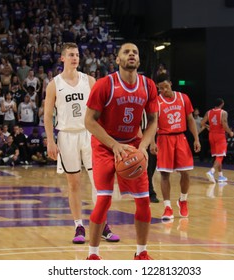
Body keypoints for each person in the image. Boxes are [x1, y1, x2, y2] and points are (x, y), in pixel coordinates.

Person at [84, 42, 158, 260]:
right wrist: (114, 145)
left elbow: (153, 121)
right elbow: (89, 121)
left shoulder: (148, 85)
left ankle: (141, 253)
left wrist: (143, 147)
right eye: (126, 52)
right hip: (105, 146)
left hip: (132, 146)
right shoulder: (104, 85)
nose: (131, 54)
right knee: (104, 199)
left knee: (143, 200)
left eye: (135, 51)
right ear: (118, 60)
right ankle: (93, 255)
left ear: (139, 59)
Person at [44, 42, 119, 245]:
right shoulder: (54, 84)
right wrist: (50, 140)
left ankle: (102, 224)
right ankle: (78, 225)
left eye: (77, 54)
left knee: (99, 182)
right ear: (62, 58)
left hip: (89, 134)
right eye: (70, 55)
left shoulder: (90, 80)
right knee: (74, 184)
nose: (75, 58)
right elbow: (48, 115)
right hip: (67, 135)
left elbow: (102, 110)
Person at [152, 73, 200, 221]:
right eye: (160, 89)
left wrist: (196, 139)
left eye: (165, 87)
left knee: (185, 173)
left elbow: (190, 119)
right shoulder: (157, 102)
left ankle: (183, 200)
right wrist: (152, 142)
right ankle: (167, 207)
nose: (164, 90)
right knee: (165, 174)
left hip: (181, 137)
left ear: (171, 83)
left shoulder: (183, 98)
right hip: (164, 139)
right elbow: (153, 123)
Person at [201, 98, 234, 183]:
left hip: (211, 135)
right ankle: (211, 171)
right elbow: (224, 123)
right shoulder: (223, 112)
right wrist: (230, 132)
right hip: (220, 135)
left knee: (218, 156)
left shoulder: (208, 112)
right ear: (222, 104)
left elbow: (202, 122)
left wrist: (208, 127)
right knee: (220, 156)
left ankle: (220, 176)